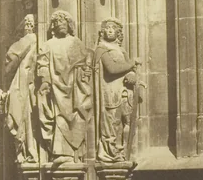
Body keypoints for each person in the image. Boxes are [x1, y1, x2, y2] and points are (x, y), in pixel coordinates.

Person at [37, 10, 92, 163]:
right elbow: (43, 63)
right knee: (59, 117)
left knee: (77, 116)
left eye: (64, 22)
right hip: (57, 87)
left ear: (69, 25)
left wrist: (85, 72)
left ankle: (76, 152)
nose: (61, 25)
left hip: (76, 88)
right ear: (53, 27)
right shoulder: (48, 45)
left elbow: (85, 61)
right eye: (57, 23)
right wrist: (45, 81)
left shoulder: (76, 42)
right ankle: (61, 152)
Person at [94, 19, 140, 162]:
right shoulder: (101, 48)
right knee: (112, 122)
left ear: (118, 32)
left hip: (124, 90)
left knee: (126, 121)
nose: (109, 30)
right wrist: (133, 62)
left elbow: (129, 69)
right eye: (107, 28)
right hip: (110, 90)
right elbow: (112, 69)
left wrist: (132, 74)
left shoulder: (122, 50)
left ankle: (125, 151)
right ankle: (111, 152)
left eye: (113, 28)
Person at [0, 14, 39, 164]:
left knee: (20, 113)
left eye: (29, 23)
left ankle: (26, 149)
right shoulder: (33, 40)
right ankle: (28, 149)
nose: (27, 26)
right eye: (26, 23)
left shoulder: (28, 39)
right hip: (25, 80)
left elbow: (10, 60)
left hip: (23, 81)